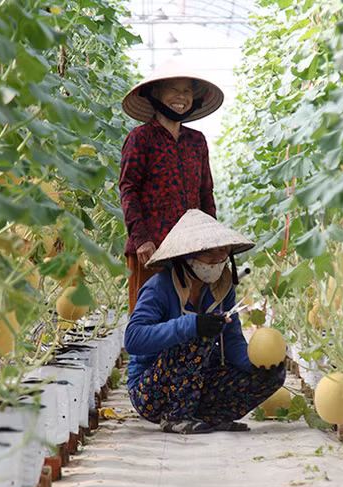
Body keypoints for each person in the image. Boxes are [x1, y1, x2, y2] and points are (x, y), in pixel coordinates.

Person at [124, 209, 287, 434]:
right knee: (195, 334)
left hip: (196, 386)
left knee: (272, 374)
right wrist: (191, 325)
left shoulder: (222, 288)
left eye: (223, 251)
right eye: (208, 252)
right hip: (151, 392)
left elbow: (232, 343)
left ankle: (213, 417)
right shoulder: (159, 288)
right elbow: (133, 339)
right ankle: (175, 417)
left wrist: (257, 365)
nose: (218, 258)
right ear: (186, 256)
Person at [119, 59, 225, 315]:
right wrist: (141, 239)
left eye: (187, 91)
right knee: (149, 322)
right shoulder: (140, 138)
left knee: (188, 323)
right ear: (155, 94)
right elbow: (128, 189)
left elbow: (205, 194)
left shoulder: (196, 141)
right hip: (151, 252)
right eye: (174, 90)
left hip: (190, 251)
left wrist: (213, 242)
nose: (181, 97)